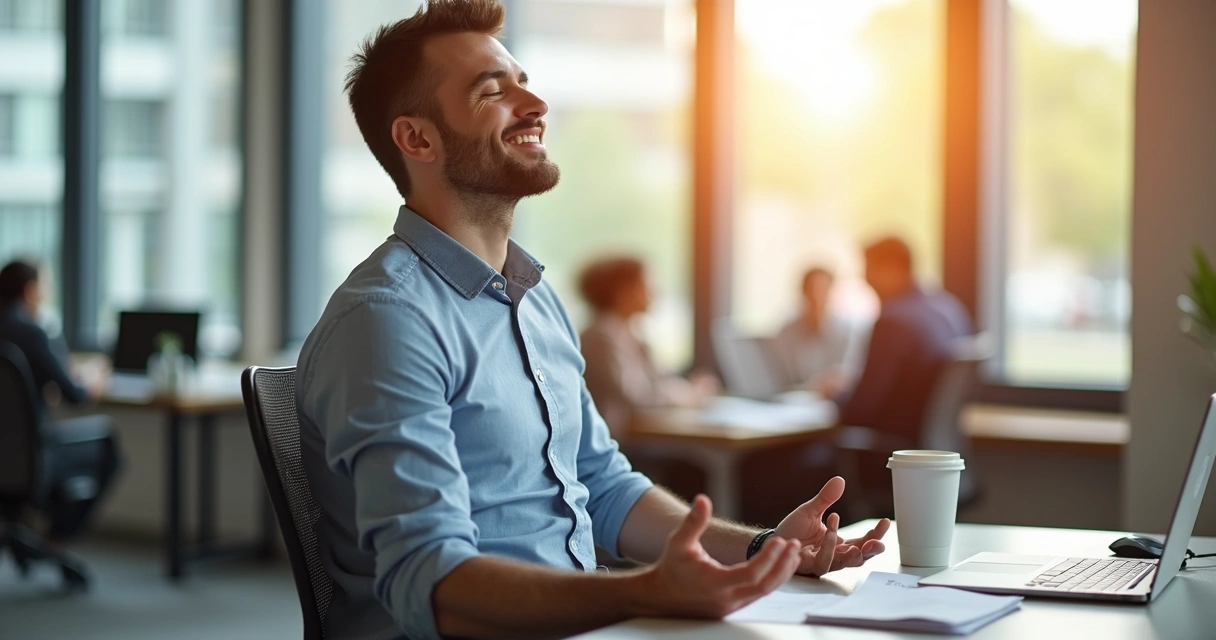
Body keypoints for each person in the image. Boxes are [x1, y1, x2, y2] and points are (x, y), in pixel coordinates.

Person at [295, 3, 889, 639]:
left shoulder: (535, 300)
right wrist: (643, 593)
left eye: (524, 81)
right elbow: (434, 585)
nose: (535, 103)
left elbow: (604, 489)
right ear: (418, 139)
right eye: (494, 91)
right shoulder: (389, 320)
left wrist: (763, 549)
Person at [0, 259, 121, 544]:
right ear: (30, 291)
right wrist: (93, 379)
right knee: (107, 444)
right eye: (45, 287)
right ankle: (57, 537)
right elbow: (75, 396)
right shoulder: (32, 333)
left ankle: (29, 530)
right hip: (32, 456)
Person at [836, 237, 973, 441]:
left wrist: (837, 395)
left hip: (894, 452)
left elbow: (860, 410)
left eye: (869, 271)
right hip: (937, 450)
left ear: (891, 269)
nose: (865, 279)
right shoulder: (950, 308)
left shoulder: (893, 322)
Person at [578, 257, 718, 438]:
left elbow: (659, 380)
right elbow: (638, 397)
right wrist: (688, 396)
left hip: (635, 432)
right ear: (623, 291)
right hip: (615, 439)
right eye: (646, 284)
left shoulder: (630, 333)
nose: (655, 292)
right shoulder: (600, 336)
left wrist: (690, 390)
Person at [769, 267, 857, 397]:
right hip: (793, 400)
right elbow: (780, 376)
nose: (817, 296)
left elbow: (845, 376)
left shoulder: (847, 332)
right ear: (803, 292)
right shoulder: (787, 333)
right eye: (812, 290)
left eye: (823, 290)